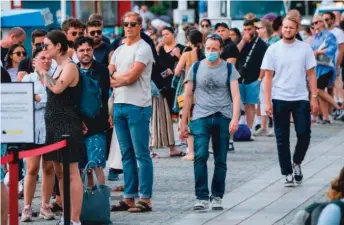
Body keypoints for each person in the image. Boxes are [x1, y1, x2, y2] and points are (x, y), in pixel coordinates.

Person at [180, 34, 240, 211]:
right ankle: (201, 196)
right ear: (203, 48)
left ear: (221, 50)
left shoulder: (229, 68)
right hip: (200, 116)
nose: (211, 52)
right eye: (208, 48)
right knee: (200, 155)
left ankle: (217, 196)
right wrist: (183, 121)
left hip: (223, 116)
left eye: (214, 49)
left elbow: (236, 95)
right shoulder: (196, 67)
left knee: (221, 158)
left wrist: (235, 118)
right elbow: (188, 96)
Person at [262, 15, 319, 187]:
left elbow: (311, 74)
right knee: (282, 138)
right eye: (285, 27)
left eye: (291, 28)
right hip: (279, 98)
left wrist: (314, 97)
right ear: (281, 29)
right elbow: (268, 76)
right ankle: (287, 172)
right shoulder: (273, 49)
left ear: (297, 29)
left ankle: (297, 162)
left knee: (304, 134)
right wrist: (267, 101)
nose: (287, 30)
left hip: (300, 97)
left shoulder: (304, 49)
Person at [35, 30, 84, 225]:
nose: (43, 49)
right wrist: (44, 70)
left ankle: (75, 218)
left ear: (58, 46)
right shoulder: (58, 66)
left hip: (67, 123)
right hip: (53, 122)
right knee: (59, 172)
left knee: (71, 171)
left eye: (46, 45)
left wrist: (41, 71)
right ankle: (66, 215)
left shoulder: (70, 66)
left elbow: (57, 88)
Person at [109, 12, 154, 213]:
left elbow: (132, 77)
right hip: (119, 104)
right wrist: (120, 77)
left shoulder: (144, 48)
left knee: (141, 154)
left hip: (138, 105)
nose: (128, 27)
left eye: (132, 24)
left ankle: (145, 198)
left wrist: (118, 77)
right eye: (125, 24)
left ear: (140, 26)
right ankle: (129, 196)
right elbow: (108, 73)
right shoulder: (118, 50)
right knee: (126, 154)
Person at [20, 48, 55, 222]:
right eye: (42, 58)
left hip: (50, 129)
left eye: (49, 58)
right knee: (32, 168)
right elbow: (25, 101)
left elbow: (53, 100)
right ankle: (27, 206)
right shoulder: (28, 78)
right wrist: (38, 99)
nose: (46, 61)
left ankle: (45, 205)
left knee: (48, 168)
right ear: (34, 61)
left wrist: (37, 98)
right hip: (32, 129)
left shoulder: (53, 77)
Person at [74, 36, 110, 184]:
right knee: (82, 167)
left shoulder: (102, 70)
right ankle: (86, 200)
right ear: (76, 52)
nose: (85, 53)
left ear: (93, 50)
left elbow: (105, 97)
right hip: (77, 124)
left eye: (88, 49)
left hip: (97, 124)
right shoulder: (73, 70)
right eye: (81, 50)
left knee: (97, 164)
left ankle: (101, 198)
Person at [174, 30, 204, 161]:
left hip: (189, 92)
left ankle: (191, 151)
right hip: (204, 92)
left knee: (188, 120)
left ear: (189, 40)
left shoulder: (186, 55)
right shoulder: (205, 54)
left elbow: (176, 71)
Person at [237, 20, 268, 139]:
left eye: (249, 29)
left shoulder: (260, 44)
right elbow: (235, 53)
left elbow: (265, 63)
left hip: (253, 78)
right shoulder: (241, 42)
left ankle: (249, 130)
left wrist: (260, 78)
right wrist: (243, 41)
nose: (247, 32)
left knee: (250, 105)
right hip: (240, 77)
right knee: (240, 104)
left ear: (255, 29)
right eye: (245, 30)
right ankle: (241, 128)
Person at [310, 15, 344, 123]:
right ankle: (325, 117)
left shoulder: (329, 35)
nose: (314, 25)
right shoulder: (315, 37)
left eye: (316, 23)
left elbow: (333, 49)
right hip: (317, 67)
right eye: (313, 23)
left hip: (327, 67)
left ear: (321, 23)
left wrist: (318, 52)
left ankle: (338, 108)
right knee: (319, 91)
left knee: (318, 90)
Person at [323, 12, 344, 111]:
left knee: (337, 86)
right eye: (324, 20)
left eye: (327, 19)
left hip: (334, 64)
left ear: (332, 20)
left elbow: (341, 50)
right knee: (328, 88)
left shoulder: (338, 32)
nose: (325, 22)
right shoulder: (323, 32)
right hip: (324, 64)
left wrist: (337, 65)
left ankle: (338, 108)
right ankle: (330, 111)